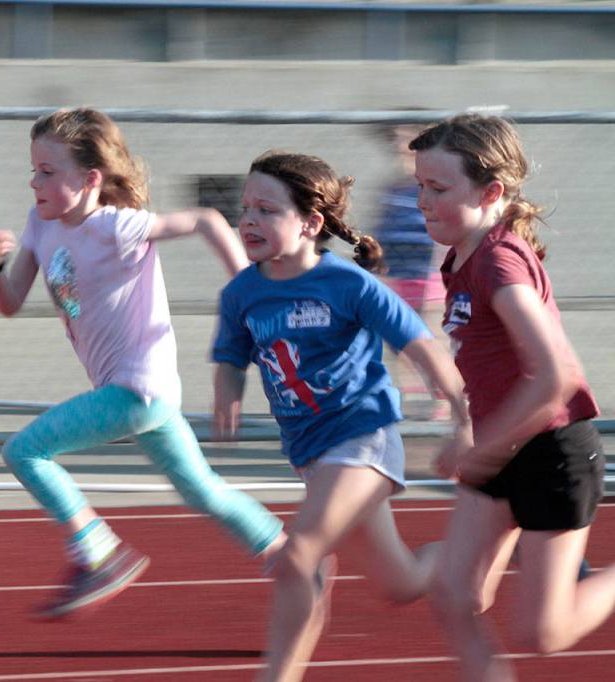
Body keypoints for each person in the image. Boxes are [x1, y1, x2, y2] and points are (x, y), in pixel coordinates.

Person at [0, 107, 286, 620]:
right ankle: (291, 559)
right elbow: (10, 301)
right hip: (141, 394)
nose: (34, 181)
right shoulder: (40, 223)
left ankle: (98, 551)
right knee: (203, 490)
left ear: (90, 180)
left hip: (137, 388)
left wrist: (247, 288)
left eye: (48, 173)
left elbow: (207, 221)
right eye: (33, 169)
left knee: (25, 451)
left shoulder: (117, 226)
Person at [210, 150, 468, 682]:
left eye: (267, 209)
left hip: (363, 437)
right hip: (311, 452)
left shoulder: (350, 286)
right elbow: (231, 357)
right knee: (399, 583)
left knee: (300, 558)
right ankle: (475, 546)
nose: (249, 220)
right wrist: (226, 397)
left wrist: (463, 416)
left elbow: (421, 347)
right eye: (246, 208)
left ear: (310, 223)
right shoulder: (242, 293)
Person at [411, 114, 614, 681]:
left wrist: (482, 446)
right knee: (454, 597)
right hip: (504, 450)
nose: (422, 202)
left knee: (541, 635)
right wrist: (476, 433)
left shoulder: (498, 262)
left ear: (491, 191)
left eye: (438, 189)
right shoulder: (462, 256)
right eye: (419, 187)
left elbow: (558, 375)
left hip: (551, 454)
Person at [370, 119, 449, 420]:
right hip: (397, 274)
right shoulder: (392, 187)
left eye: (406, 138)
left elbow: (444, 223)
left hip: (427, 273)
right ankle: (407, 396)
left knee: (430, 339)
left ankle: (441, 394)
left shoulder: (428, 183)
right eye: (396, 139)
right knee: (398, 339)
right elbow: (381, 229)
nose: (399, 145)